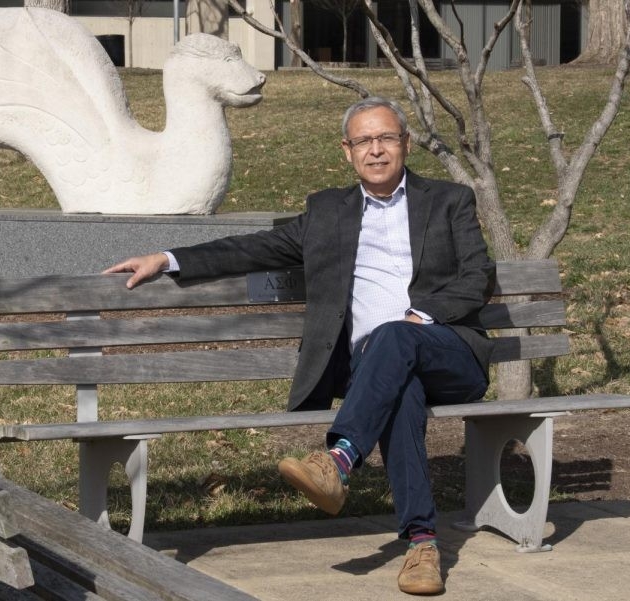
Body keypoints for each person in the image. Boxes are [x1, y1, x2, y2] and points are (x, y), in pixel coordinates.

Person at [104, 96, 495, 595]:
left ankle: (339, 459)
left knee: (396, 333)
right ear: (346, 151)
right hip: (375, 368)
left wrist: (424, 314)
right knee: (400, 394)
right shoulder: (327, 212)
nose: (376, 150)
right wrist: (167, 257)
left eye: (386, 138)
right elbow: (251, 248)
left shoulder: (448, 200)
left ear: (405, 144)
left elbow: (478, 275)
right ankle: (422, 545)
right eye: (364, 141)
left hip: (449, 350)